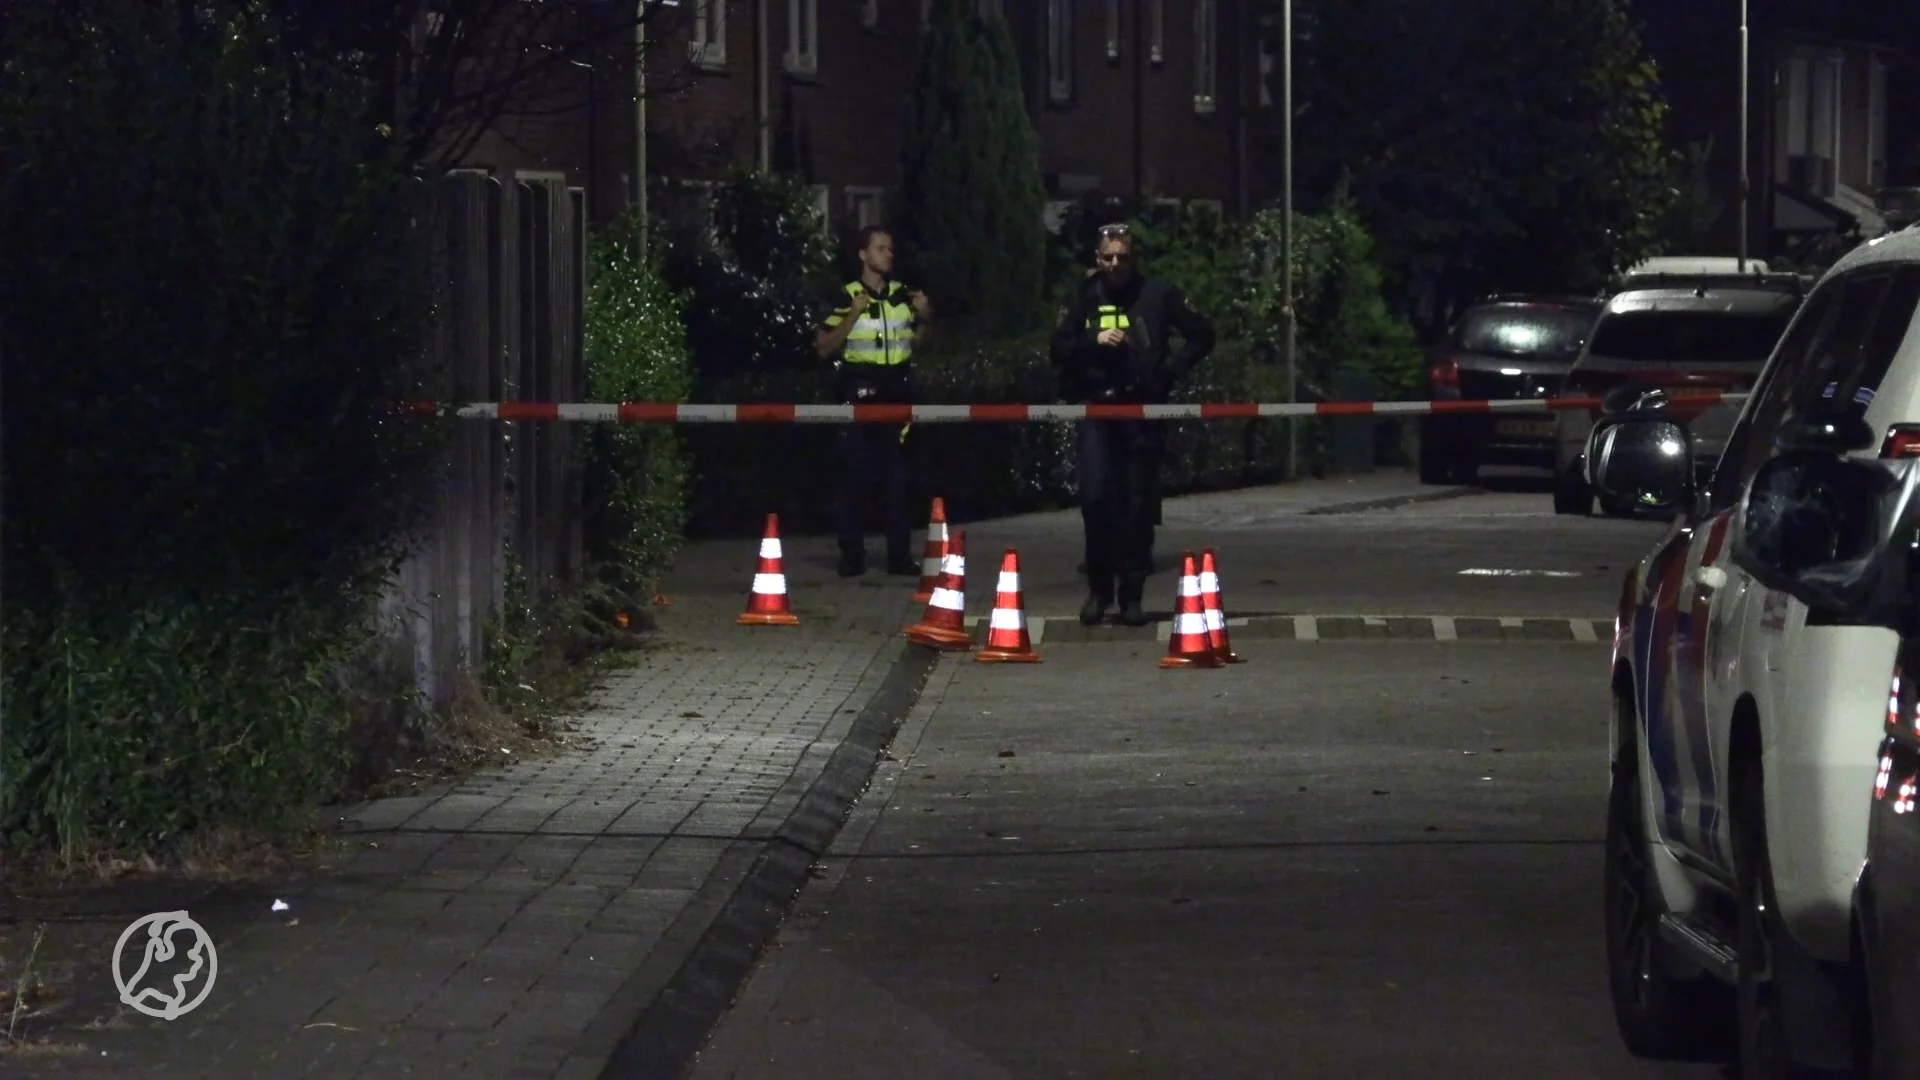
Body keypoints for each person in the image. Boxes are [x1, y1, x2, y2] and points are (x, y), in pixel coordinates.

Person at [1051, 222, 1216, 626]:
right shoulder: (1082, 296)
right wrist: (1093, 341)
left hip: (1142, 410)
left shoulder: (1157, 295)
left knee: (1137, 504)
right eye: (1108, 257)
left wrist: (1168, 373)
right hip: (1097, 410)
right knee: (1096, 499)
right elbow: (1058, 347)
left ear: (1132, 258)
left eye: (1122, 257)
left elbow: (1203, 334)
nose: (1115, 265)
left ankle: (1132, 597)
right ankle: (1098, 591)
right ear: (1097, 258)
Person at [817, 225, 932, 578]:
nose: (888, 254)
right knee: (853, 480)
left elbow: (915, 345)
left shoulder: (902, 296)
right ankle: (852, 556)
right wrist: (852, 315)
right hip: (859, 394)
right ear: (863, 255)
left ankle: (900, 557)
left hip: (896, 395)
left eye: (890, 249)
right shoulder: (845, 295)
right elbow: (822, 347)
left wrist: (925, 318)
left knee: (897, 482)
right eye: (881, 248)